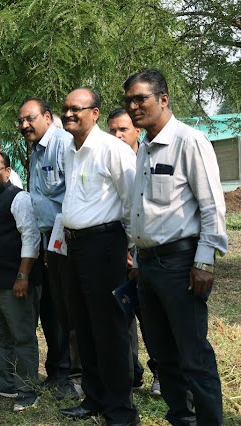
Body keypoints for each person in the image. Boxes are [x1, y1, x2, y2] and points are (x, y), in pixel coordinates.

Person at [124, 69, 228, 426]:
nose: (134, 107)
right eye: (129, 101)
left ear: (163, 99)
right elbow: (142, 208)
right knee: (162, 354)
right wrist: (137, 256)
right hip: (148, 267)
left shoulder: (189, 141)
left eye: (141, 99)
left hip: (181, 263)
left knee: (193, 355)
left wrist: (205, 262)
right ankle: (180, 418)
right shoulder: (144, 147)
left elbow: (212, 205)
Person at [58, 88, 139, 426]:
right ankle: (94, 398)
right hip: (75, 247)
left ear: (95, 112)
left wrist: (131, 250)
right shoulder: (70, 151)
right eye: (65, 109)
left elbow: (134, 202)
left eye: (76, 109)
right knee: (84, 325)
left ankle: (120, 410)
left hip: (105, 246)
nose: (68, 115)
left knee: (110, 329)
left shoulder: (113, 149)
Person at [18, 97, 81, 400]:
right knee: (54, 308)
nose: (24, 125)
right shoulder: (36, 150)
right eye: (20, 121)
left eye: (29, 118)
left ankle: (74, 376)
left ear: (47, 116)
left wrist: (60, 240)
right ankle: (58, 371)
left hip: (69, 238)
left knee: (69, 309)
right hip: (50, 240)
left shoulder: (63, 144)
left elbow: (72, 195)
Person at [0, 152, 42, 412]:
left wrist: (23, 276)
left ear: (8, 170)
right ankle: (5, 381)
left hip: (15, 281)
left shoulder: (18, 197)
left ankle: (27, 389)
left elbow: (30, 237)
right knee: (1, 335)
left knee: (22, 336)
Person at [107, 107, 161, 397]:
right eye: (112, 130)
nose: (117, 135)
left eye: (123, 130)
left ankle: (161, 372)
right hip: (116, 249)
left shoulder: (146, 159)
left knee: (149, 316)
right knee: (122, 312)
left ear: (136, 131)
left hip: (144, 249)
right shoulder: (110, 159)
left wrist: (135, 251)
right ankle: (132, 373)